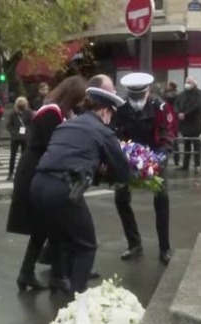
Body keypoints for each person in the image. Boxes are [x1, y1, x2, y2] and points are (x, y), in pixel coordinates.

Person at [30, 80, 130, 295]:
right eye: (111, 114)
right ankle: (78, 302)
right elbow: (121, 170)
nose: (110, 119)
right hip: (62, 188)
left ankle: (64, 289)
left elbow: (68, 153)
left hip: (38, 185)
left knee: (66, 240)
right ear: (104, 111)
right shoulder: (103, 131)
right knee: (86, 245)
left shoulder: (67, 124)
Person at [7, 75, 88, 291]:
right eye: (79, 98)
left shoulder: (55, 110)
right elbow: (55, 144)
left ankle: (29, 272)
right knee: (56, 224)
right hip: (36, 172)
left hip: (39, 170)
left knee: (43, 227)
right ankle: (56, 275)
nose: (81, 103)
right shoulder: (51, 112)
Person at [114, 72, 173, 265]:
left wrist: (159, 160)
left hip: (154, 156)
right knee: (121, 198)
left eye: (140, 95)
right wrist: (124, 156)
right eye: (134, 95)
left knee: (162, 198)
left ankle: (164, 247)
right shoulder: (120, 107)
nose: (137, 100)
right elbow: (115, 134)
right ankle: (134, 244)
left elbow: (167, 135)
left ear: (147, 91)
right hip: (128, 158)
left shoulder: (159, 106)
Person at [175, 76, 201, 172]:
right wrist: (178, 113)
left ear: (194, 84)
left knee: (196, 144)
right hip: (185, 124)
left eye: (189, 82)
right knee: (186, 145)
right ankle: (185, 165)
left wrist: (185, 113)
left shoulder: (199, 94)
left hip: (195, 123)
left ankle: (197, 165)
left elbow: (198, 106)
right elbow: (176, 104)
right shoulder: (182, 94)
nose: (187, 84)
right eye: (186, 82)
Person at [6, 96, 32, 181]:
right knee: (13, 156)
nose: (21, 105)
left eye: (23, 104)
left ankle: (23, 173)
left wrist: (27, 131)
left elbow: (32, 124)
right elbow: (9, 125)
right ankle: (10, 173)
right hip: (16, 138)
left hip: (25, 138)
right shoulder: (13, 113)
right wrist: (14, 132)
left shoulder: (28, 112)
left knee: (24, 157)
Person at [163, 81, 180, 166]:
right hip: (172, 119)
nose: (166, 87)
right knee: (174, 139)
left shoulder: (171, 95)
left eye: (168, 86)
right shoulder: (174, 94)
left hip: (172, 118)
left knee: (172, 139)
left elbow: (166, 97)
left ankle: (175, 158)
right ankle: (176, 159)